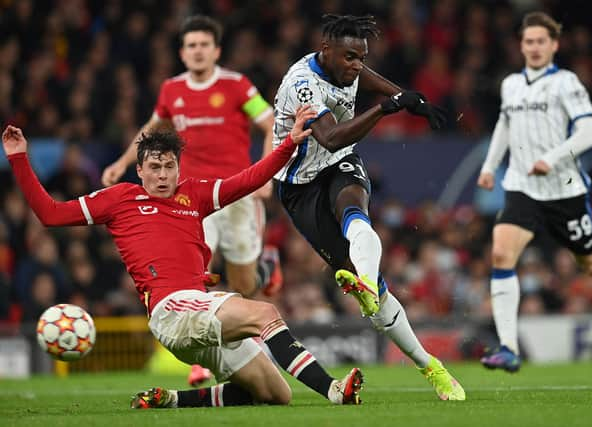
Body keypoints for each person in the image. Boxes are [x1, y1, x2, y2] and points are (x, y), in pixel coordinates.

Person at [2, 106, 364, 408]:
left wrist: (288, 145)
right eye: (154, 168)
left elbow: (248, 180)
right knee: (265, 312)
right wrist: (18, 158)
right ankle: (334, 391)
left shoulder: (195, 194)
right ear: (140, 169)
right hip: (172, 309)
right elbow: (50, 214)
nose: (162, 176)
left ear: (179, 167)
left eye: (169, 167)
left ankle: (173, 400)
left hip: (201, 308)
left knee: (276, 394)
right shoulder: (119, 198)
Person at [271, 14, 464, 401]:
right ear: (325, 51)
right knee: (378, 305)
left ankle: (430, 367)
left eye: (362, 58)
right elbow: (329, 137)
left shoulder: (346, 66)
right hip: (298, 187)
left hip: (339, 163)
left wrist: (413, 102)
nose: (356, 66)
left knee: (352, 207)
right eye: (350, 58)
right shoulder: (303, 85)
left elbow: (370, 83)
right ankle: (385, 306)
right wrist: (388, 108)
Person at [101, 15, 282, 386]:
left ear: (216, 50)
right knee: (194, 271)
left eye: (204, 45)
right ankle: (203, 357)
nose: (198, 51)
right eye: (191, 46)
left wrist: (268, 174)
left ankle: (265, 266)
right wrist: (122, 163)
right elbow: (151, 129)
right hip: (192, 197)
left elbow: (270, 122)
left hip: (234, 193)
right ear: (182, 53)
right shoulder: (172, 90)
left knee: (244, 282)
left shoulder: (237, 87)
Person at [477, 11, 592, 372]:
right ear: (521, 45)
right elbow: (505, 124)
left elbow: (589, 134)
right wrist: (490, 166)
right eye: (528, 41)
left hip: (563, 189)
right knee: (502, 254)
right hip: (522, 186)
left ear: (553, 45)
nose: (534, 47)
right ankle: (508, 348)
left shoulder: (567, 83)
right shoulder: (511, 85)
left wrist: (552, 159)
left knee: (591, 262)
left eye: (541, 41)